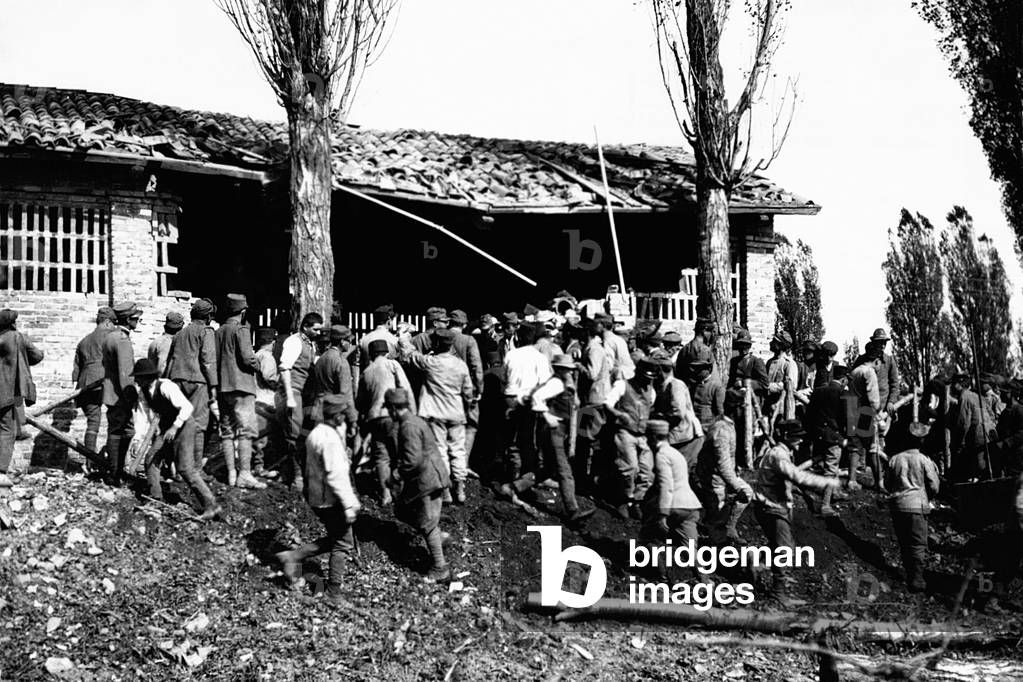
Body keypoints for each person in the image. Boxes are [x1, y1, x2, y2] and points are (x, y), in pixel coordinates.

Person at [275, 394, 361, 601]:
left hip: (316, 495)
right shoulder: (329, 439)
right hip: (331, 498)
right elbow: (337, 474)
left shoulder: (317, 433)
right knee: (342, 544)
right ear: (338, 415)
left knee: (335, 537)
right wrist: (349, 504)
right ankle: (333, 592)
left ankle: (293, 556)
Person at [502, 354, 594, 524]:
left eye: (570, 369)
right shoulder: (556, 383)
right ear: (559, 369)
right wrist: (547, 415)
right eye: (566, 369)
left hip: (559, 430)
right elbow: (536, 397)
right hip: (553, 430)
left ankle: (513, 487)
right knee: (565, 471)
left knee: (550, 469)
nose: (569, 372)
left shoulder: (565, 383)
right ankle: (572, 510)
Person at [752, 419, 839, 599]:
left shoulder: (782, 453)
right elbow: (796, 475)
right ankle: (778, 591)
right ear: (785, 437)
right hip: (772, 507)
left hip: (775, 505)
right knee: (783, 549)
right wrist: (825, 482)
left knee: (783, 545)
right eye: (796, 437)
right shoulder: (778, 455)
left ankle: (755, 560)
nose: (800, 441)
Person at [133, 358, 222, 520]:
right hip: (167, 428)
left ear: (147, 377)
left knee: (185, 468)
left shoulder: (166, 386)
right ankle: (156, 498)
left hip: (184, 425)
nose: (136, 381)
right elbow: (143, 416)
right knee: (151, 459)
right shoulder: (144, 392)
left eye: (138, 377)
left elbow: (187, 407)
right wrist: (138, 438)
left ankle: (211, 505)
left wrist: (175, 427)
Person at [399, 327, 473, 504]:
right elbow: (468, 391)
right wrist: (467, 406)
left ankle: (446, 490)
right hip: (456, 413)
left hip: (435, 413)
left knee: (440, 451)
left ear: (438, 343)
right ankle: (460, 488)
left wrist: (403, 339)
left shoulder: (431, 362)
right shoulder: (460, 365)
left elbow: (410, 355)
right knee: (458, 450)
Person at [385, 388, 452, 583]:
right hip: (428, 477)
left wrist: (395, 475)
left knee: (427, 524)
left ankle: (440, 567)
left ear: (394, 408)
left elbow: (412, 460)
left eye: (389, 409)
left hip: (427, 479)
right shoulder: (414, 421)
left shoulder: (408, 426)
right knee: (403, 511)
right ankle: (440, 538)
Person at [214, 294, 264, 489]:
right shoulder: (241, 330)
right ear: (243, 312)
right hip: (242, 386)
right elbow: (247, 358)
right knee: (246, 431)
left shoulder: (218, 332)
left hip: (223, 387)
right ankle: (244, 473)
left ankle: (231, 475)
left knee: (226, 432)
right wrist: (259, 365)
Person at [357, 339, 415, 504]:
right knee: (400, 453)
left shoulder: (366, 372)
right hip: (393, 415)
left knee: (381, 456)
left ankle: (385, 494)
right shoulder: (393, 365)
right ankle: (402, 492)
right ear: (387, 352)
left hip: (374, 418)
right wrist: (413, 413)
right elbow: (405, 388)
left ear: (371, 354)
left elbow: (360, 402)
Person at [641, 419, 703, 573]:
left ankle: (661, 577)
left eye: (648, 437)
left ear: (654, 438)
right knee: (691, 551)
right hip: (691, 507)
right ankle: (705, 582)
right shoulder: (677, 454)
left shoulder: (661, 455)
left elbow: (666, 486)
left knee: (647, 537)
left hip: (674, 505)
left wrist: (662, 514)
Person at [884, 422, 940, 592]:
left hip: (898, 506)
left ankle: (909, 573)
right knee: (917, 543)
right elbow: (934, 486)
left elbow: (887, 484)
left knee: (904, 541)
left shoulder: (895, 459)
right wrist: (927, 496)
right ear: (921, 441)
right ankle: (916, 578)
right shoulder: (924, 460)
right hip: (917, 506)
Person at [165, 298, 220, 469]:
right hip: (198, 382)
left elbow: (170, 361)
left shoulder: (180, 333)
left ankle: (176, 465)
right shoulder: (206, 332)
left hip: (177, 381)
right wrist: (213, 386)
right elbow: (208, 361)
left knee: (179, 422)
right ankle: (194, 468)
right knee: (198, 425)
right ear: (208, 316)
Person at [698, 390, 754, 545]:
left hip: (723, 475)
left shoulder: (728, 424)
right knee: (718, 516)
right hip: (714, 478)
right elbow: (722, 465)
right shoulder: (721, 430)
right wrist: (736, 487)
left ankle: (729, 528)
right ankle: (715, 546)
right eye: (742, 408)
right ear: (736, 408)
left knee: (748, 493)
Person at [605, 357, 659, 519]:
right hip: (625, 432)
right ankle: (624, 500)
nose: (648, 381)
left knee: (647, 471)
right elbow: (607, 403)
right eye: (646, 377)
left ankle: (636, 501)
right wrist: (619, 414)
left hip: (642, 435)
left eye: (651, 379)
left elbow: (650, 408)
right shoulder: (622, 385)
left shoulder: (651, 391)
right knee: (629, 468)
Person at [276, 312, 324, 489]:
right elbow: (285, 368)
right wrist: (289, 397)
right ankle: (296, 478)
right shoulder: (294, 341)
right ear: (305, 327)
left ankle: (299, 473)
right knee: (294, 434)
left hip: (305, 393)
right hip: (293, 391)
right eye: (315, 329)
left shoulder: (310, 344)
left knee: (305, 433)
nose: (318, 333)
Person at [501, 323, 552, 486]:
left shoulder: (511, 355)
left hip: (511, 397)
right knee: (528, 437)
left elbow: (504, 377)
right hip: (529, 400)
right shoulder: (540, 358)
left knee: (511, 438)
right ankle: (526, 474)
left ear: (518, 337)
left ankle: (513, 471)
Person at [0, 310, 44, 486]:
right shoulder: (17, 337)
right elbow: (37, 355)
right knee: (7, 429)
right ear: (12, 323)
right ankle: (1, 471)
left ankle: (20, 425)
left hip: (8, 392)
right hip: (9, 391)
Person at [804, 365, 852, 515]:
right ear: (844, 379)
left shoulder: (819, 391)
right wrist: (847, 437)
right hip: (833, 436)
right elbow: (846, 419)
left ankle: (835, 492)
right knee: (831, 468)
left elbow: (809, 414)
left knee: (829, 464)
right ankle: (825, 505)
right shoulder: (843, 393)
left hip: (818, 434)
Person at [102, 301, 142, 484]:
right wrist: (132, 398)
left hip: (112, 394)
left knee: (120, 431)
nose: (138, 321)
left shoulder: (111, 336)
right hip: (120, 396)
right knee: (120, 432)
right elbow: (126, 374)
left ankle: (115, 472)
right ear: (127, 319)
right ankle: (114, 474)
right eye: (135, 318)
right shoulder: (122, 340)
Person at [72, 306, 115, 456]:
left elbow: (76, 368)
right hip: (104, 380)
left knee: (93, 422)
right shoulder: (112, 336)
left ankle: (90, 461)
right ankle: (113, 459)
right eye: (114, 322)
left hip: (85, 383)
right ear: (108, 322)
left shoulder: (84, 341)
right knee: (116, 419)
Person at [651, 350, 703, 470]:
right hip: (677, 437)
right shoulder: (662, 386)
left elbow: (678, 412)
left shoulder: (675, 385)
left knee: (680, 471)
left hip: (686, 438)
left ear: (661, 370)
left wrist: (658, 418)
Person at [308, 325, 359, 441]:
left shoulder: (321, 359)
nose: (350, 344)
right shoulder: (341, 362)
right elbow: (346, 395)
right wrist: (353, 419)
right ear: (342, 341)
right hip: (334, 414)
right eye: (349, 341)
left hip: (318, 410)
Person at [449, 309, 484, 460]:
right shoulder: (468, 340)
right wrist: (479, 388)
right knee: (471, 424)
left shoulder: (439, 337)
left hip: (444, 387)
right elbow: (476, 366)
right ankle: (463, 461)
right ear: (464, 324)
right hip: (465, 387)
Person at [848, 349, 884, 490]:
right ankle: (879, 483)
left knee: (855, 447)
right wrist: (877, 415)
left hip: (852, 411)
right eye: (880, 363)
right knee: (873, 448)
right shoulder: (870, 372)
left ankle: (851, 480)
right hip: (866, 413)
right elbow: (874, 400)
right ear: (876, 360)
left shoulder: (854, 371)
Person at [950, 373, 989, 480]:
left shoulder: (964, 397)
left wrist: (959, 443)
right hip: (988, 434)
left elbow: (963, 423)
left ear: (958, 385)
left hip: (978, 436)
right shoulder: (976, 396)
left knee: (978, 470)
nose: (951, 388)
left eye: (953, 384)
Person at [252, 326, 278, 479]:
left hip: (257, 397)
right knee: (262, 436)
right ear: (272, 342)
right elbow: (270, 378)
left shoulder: (256, 354)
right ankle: (259, 467)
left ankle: (257, 464)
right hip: (265, 399)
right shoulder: (267, 357)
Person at [764, 332, 798, 427]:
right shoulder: (769, 362)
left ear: (781, 345)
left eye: (774, 341)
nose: (771, 343)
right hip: (769, 405)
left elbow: (792, 386)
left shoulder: (789, 364)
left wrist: (770, 386)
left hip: (783, 407)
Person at [674, 318, 715, 382]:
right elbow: (704, 375)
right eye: (710, 331)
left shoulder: (685, 348)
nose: (711, 335)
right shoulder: (705, 350)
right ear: (704, 330)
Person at [597, 312, 635, 381]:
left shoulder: (607, 341)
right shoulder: (617, 339)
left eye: (595, 324)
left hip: (620, 378)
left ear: (602, 326)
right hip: (629, 375)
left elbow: (608, 366)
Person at [359, 305, 397, 370]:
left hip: (368, 377)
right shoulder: (394, 340)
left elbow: (358, 363)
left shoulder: (363, 340)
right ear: (389, 321)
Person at [148, 311, 184, 376]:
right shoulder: (169, 343)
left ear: (165, 327)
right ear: (180, 329)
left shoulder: (156, 341)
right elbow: (162, 367)